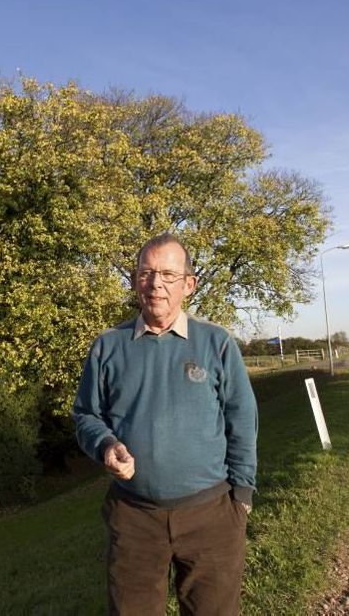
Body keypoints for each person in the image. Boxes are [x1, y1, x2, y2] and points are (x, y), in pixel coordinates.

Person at [72, 233, 258, 615]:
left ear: (189, 285)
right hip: (134, 518)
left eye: (169, 275)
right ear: (135, 280)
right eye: (146, 273)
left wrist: (241, 496)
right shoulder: (108, 346)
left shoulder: (217, 343)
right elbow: (86, 415)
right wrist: (106, 444)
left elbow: (242, 418)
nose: (156, 284)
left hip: (212, 516)